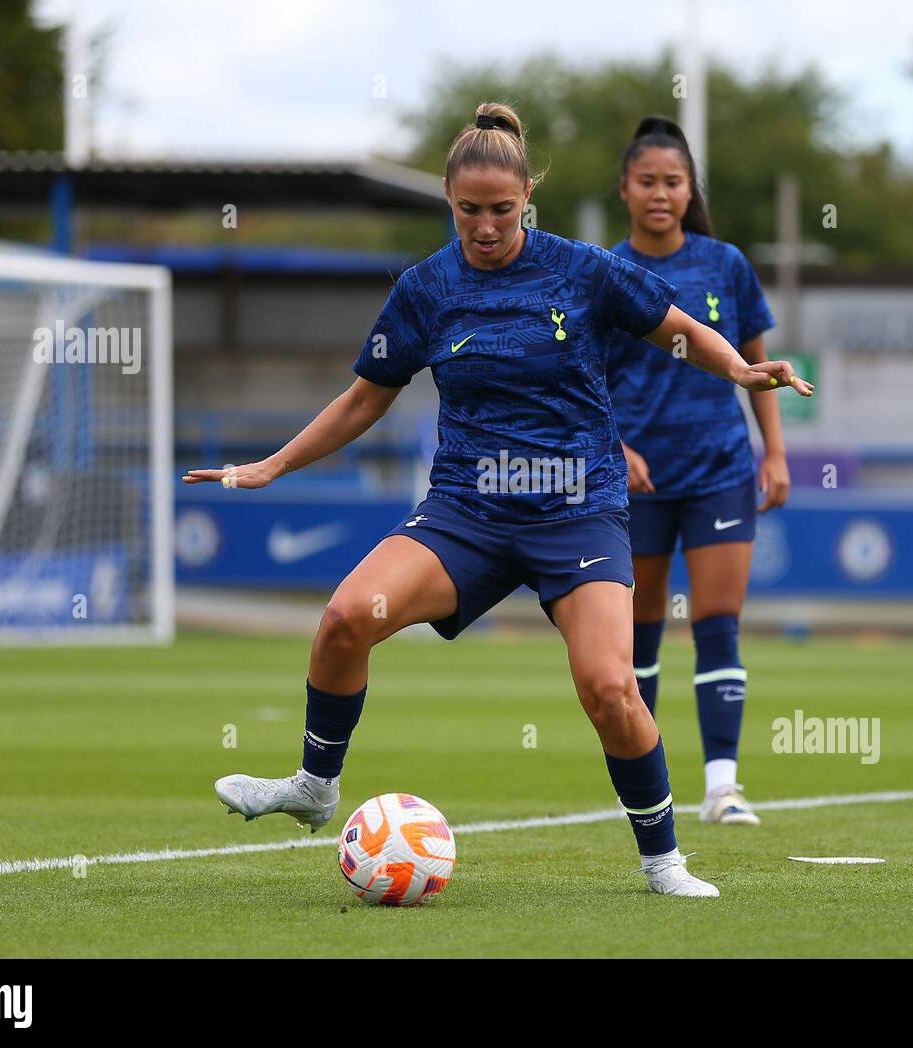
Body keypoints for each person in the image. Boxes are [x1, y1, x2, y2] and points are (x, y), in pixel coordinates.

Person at [183, 103, 812, 898]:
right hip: (466, 514)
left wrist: (743, 372)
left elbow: (680, 329)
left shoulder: (583, 270)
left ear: (528, 201)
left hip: (578, 510)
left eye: (501, 210)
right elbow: (362, 401)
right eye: (468, 210)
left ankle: (663, 861)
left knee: (611, 688)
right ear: (449, 199)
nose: (485, 226)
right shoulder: (423, 290)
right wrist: (273, 466)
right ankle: (314, 788)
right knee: (346, 618)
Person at [606, 116, 792, 827]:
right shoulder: (608, 271)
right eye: (647, 180)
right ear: (625, 188)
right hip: (637, 480)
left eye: (673, 182)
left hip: (718, 467)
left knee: (717, 626)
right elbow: (585, 376)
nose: (660, 193)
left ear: (689, 192)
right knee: (638, 637)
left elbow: (756, 363)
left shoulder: (725, 265)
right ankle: (643, 788)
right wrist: (615, 447)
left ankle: (723, 787)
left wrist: (772, 452)